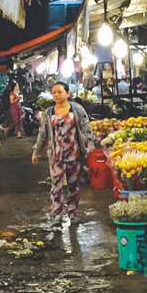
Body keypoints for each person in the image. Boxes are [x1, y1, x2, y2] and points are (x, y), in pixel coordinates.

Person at [31, 81, 98, 233]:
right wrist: (36, 151)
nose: (56, 95)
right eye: (54, 92)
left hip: (74, 153)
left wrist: (90, 144)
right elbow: (43, 133)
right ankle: (56, 215)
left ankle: (73, 213)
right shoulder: (49, 112)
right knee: (56, 186)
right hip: (56, 155)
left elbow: (86, 127)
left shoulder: (77, 109)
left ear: (67, 93)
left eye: (59, 92)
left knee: (73, 185)